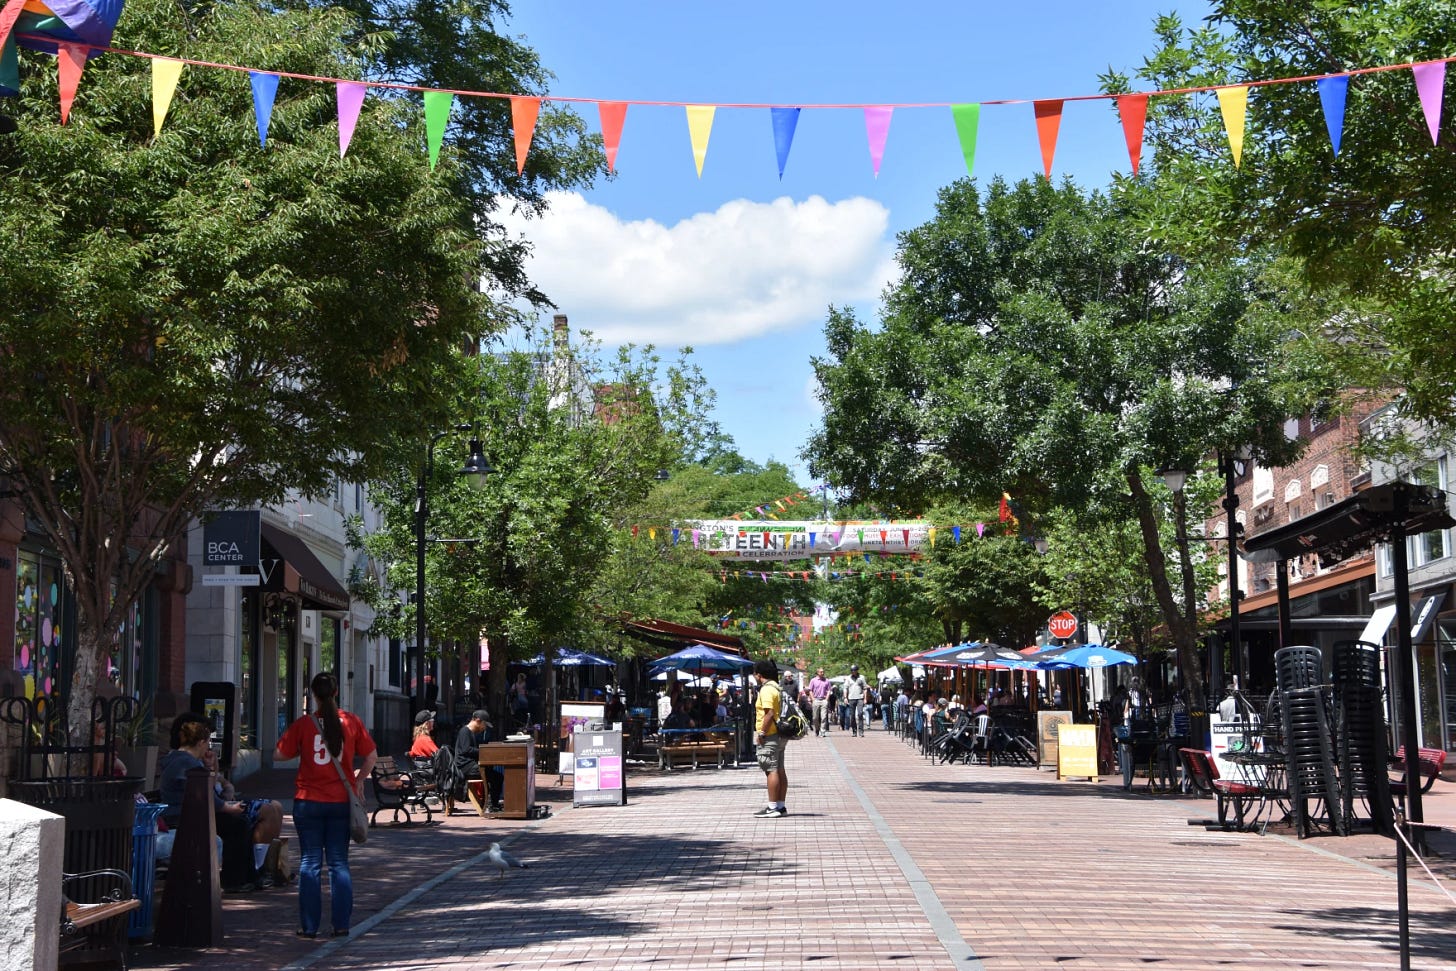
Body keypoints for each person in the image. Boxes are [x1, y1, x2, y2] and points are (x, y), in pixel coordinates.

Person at [276, 672, 377, 939]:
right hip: (340, 801)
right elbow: (371, 756)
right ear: (335, 693)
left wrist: (301, 750)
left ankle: (309, 926)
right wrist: (358, 780)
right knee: (338, 863)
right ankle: (341, 924)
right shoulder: (351, 721)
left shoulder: (304, 724)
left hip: (308, 801)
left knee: (309, 862)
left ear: (314, 695)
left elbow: (279, 753)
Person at [159, 713, 261, 893]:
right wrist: (228, 808)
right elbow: (204, 794)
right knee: (237, 826)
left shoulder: (184, 760)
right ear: (200, 742)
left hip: (191, 813)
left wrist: (211, 769)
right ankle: (234, 879)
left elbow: (209, 789)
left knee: (240, 824)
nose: (208, 747)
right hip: (183, 817)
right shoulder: (185, 762)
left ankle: (246, 877)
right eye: (207, 742)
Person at [752, 658, 787, 818]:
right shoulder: (777, 687)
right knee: (779, 769)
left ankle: (772, 807)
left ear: (759, 675)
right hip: (779, 734)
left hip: (770, 734)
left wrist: (761, 733)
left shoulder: (766, 690)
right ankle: (780, 805)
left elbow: (769, 713)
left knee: (770, 770)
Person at [456, 709, 504, 812]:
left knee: (497, 776)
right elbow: (466, 750)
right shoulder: (465, 731)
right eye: (484, 725)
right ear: (478, 721)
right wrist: (483, 751)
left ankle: (492, 803)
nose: (484, 728)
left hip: (470, 766)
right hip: (465, 767)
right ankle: (490, 804)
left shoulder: (472, 733)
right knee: (494, 776)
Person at [843, 665, 869, 736]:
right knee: (852, 716)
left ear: (857, 670)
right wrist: (845, 697)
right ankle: (854, 731)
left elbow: (865, 688)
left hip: (860, 698)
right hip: (851, 698)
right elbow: (845, 688)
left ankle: (861, 731)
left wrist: (865, 698)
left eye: (854, 670)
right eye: (852, 670)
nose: (853, 672)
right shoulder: (848, 678)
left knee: (860, 714)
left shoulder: (862, 677)